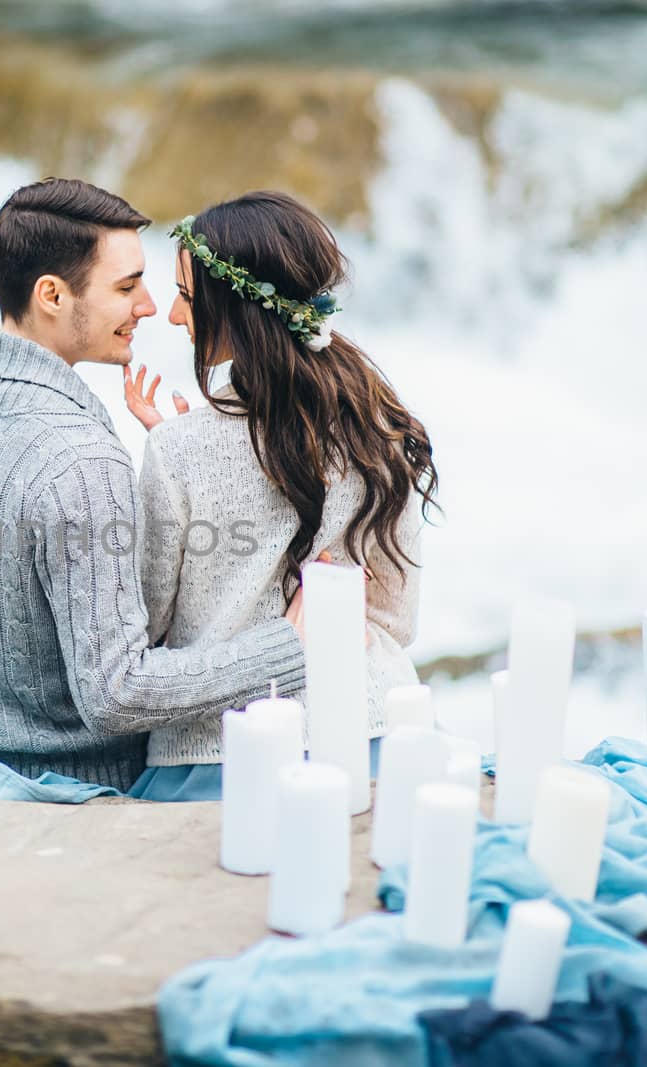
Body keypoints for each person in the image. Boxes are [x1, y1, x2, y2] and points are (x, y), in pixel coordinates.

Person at [0, 178, 307, 793]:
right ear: (51, 294)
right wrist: (287, 645)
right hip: (65, 784)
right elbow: (118, 693)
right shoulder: (80, 457)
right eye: (127, 287)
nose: (151, 307)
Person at [121, 190, 439, 801]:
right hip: (376, 741)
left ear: (235, 309)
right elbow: (396, 621)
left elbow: (147, 627)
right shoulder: (380, 430)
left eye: (187, 298)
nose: (173, 317)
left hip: (218, 757)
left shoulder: (178, 451)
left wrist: (179, 468)